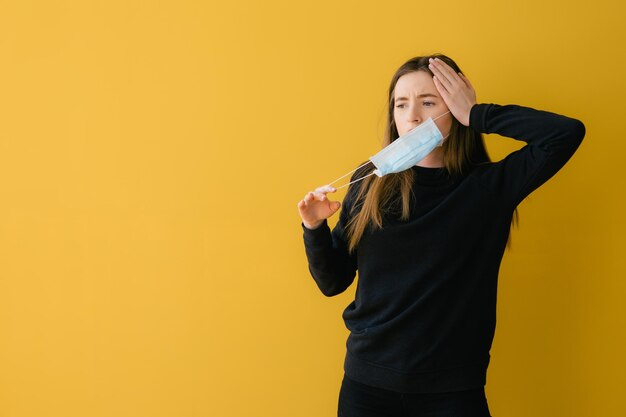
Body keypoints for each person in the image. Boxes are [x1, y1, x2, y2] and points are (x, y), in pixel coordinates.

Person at [297, 54, 585, 417]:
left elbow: (566, 133)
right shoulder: (369, 186)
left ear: (455, 108)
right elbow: (333, 281)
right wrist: (314, 228)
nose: (412, 116)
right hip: (367, 389)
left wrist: (477, 114)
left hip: (452, 394)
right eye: (401, 105)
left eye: (428, 102)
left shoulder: (489, 188)